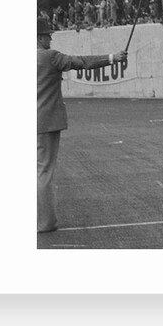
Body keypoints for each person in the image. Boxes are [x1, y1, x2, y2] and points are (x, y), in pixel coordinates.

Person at [37, 17, 127, 233]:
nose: (51, 37)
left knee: (38, 169)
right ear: (40, 37)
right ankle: (46, 222)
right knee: (45, 172)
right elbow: (81, 62)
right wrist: (112, 57)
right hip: (46, 121)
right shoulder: (50, 56)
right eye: (48, 34)